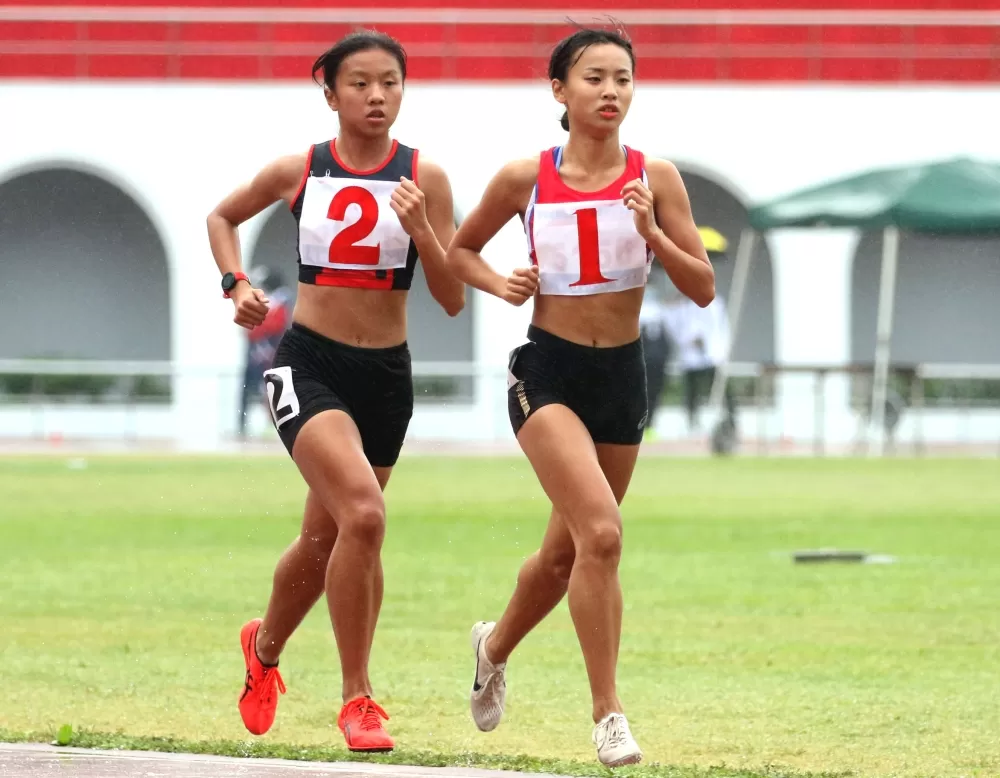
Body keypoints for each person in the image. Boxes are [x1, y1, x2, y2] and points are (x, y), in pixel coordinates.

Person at [444, 26, 714, 768]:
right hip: (548, 371)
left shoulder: (654, 176)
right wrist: (504, 284)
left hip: (621, 377)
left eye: (623, 78)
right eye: (593, 77)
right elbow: (458, 250)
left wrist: (653, 232)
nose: (611, 91)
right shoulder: (523, 178)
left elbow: (702, 287)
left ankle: (492, 647)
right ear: (559, 91)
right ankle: (608, 715)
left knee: (564, 556)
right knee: (602, 534)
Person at [206, 30, 464, 753]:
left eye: (390, 82)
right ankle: (358, 699)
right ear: (330, 94)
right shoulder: (301, 169)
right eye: (359, 83)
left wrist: (425, 232)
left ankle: (263, 651)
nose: (377, 96)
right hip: (307, 364)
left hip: (385, 377)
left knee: (328, 537)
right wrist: (237, 285)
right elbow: (221, 217)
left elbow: (450, 299)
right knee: (366, 515)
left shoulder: (426, 178)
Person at [237, 266, 292, 438]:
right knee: (249, 390)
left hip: (272, 354)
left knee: (274, 392)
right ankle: (242, 427)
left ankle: (280, 428)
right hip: (256, 355)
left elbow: (275, 325)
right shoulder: (266, 301)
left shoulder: (282, 302)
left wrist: (257, 329)